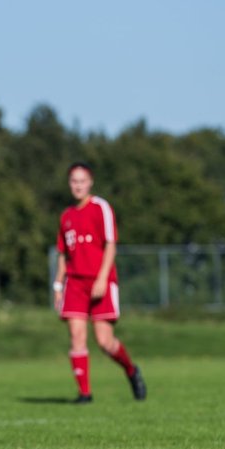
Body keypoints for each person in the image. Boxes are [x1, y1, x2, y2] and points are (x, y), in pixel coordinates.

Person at [52, 163, 146, 404]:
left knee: (105, 341)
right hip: (74, 283)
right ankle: (85, 393)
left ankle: (131, 370)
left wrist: (103, 278)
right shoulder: (66, 216)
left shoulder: (100, 208)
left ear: (90, 182)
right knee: (77, 334)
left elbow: (111, 244)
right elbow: (63, 254)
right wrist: (57, 285)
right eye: (73, 181)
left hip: (100, 280)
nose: (77, 185)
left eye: (82, 181)